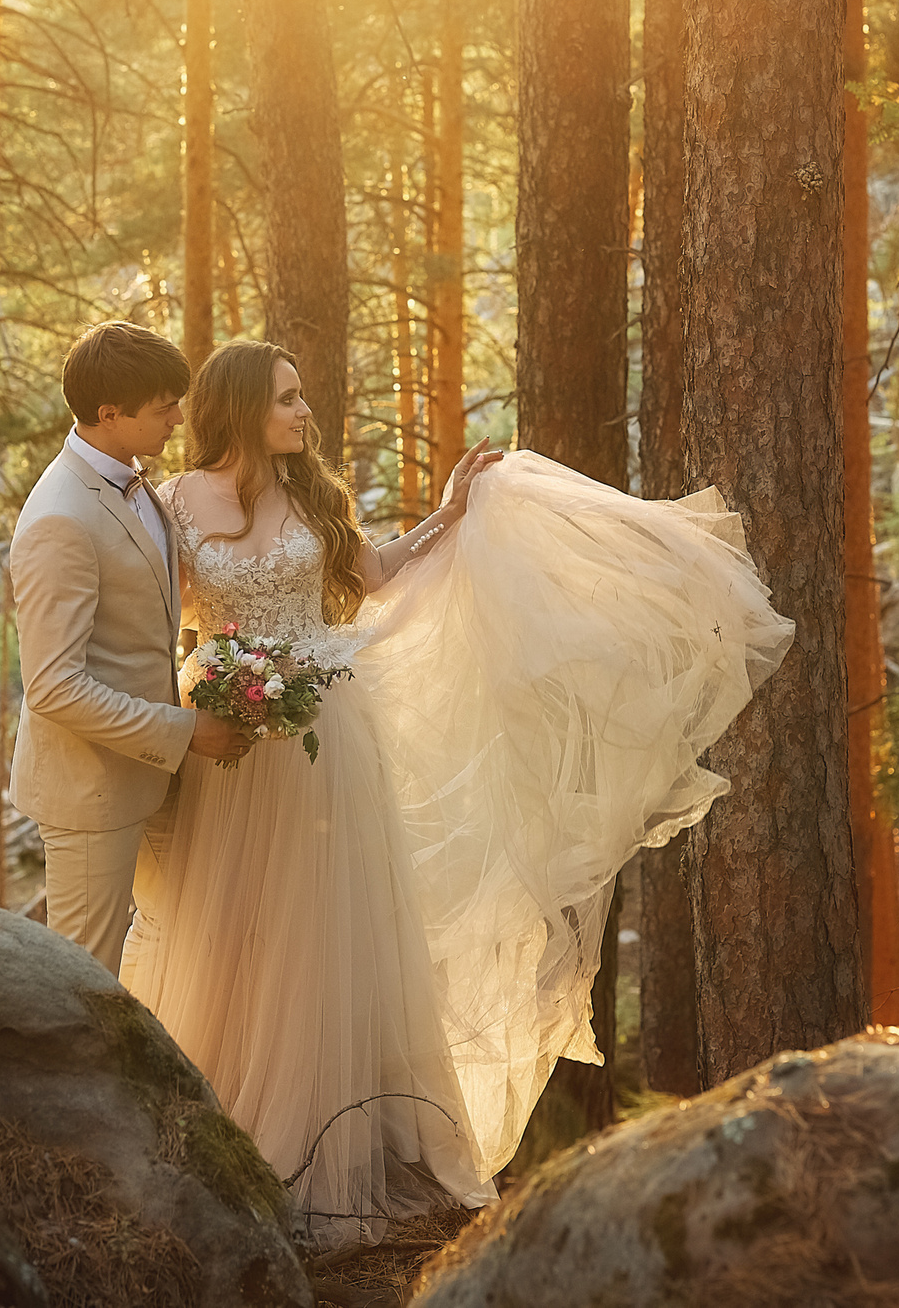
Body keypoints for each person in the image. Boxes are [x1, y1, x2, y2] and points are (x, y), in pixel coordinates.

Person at [126, 338, 793, 1244]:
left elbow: (373, 575)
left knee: (322, 932)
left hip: (324, 731)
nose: (304, 409)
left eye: (303, 392)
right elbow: (159, 615)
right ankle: (220, 1122)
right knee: (229, 924)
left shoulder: (310, 493)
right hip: (226, 736)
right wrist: (202, 693)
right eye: (288, 397)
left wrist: (445, 514)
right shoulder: (170, 505)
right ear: (240, 405)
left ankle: (329, 1144)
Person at [7, 321, 254, 974]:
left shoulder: (138, 481)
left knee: (187, 945)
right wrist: (183, 730)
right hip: (90, 788)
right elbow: (54, 687)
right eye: (164, 406)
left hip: (156, 773)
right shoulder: (60, 516)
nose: (179, 417)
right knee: (84, 978)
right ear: (109, 415)